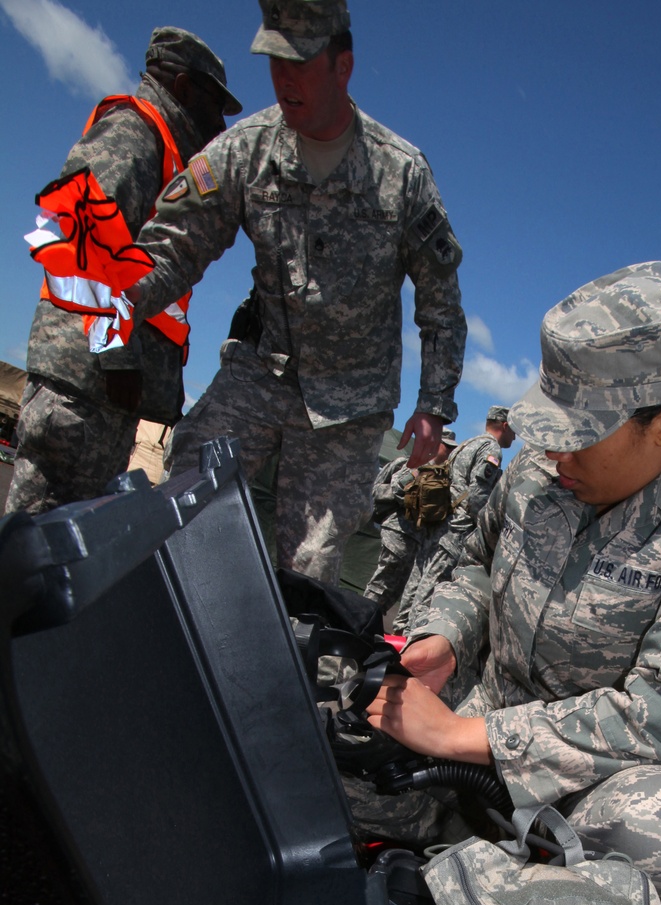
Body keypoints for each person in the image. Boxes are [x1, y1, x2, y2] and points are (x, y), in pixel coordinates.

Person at [351, 262, 661, 905]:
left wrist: (469, 738)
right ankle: (441, 867)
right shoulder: (538, 468)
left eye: (578, 436)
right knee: (297, 741)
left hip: (585, 791)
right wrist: (444, 637)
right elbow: (476, 562)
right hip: (464, 719)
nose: (555, 456)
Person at [113, 0, 466, 585]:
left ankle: (286, 667)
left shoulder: (401, 172)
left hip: (349, 403)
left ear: (342, 66)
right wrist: (108, 304)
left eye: (299, 63)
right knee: (184, 496)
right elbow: (174, 247)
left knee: (307, 568)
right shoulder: (246, 150)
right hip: (261, 370)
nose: (284, 79)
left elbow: (441, 303)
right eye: (275, 62)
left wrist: (434, 406)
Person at [4, 27, 239, 517]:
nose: (220, 124)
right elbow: (80, 238)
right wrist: (116, 358)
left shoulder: (167, 154)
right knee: (33, 554)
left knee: (64, 563)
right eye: (215, 104)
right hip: (85, 387)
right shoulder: (133, 132)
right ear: (181, 86)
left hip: (102, 396)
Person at [364, 406, 513, 628]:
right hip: (456, 530)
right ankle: (411, 643)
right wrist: (487, 530)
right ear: (505, 425)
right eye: (514, 430)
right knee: (431, 594)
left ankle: (400, 633)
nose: (515, 436)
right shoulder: (490, 449)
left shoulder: (468, 444)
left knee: (416, 588)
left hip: (438, 526)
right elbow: (477, 496)